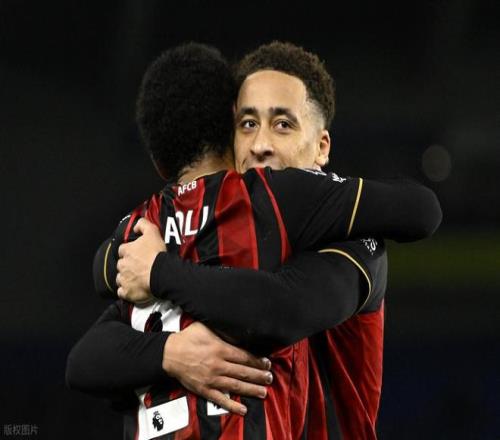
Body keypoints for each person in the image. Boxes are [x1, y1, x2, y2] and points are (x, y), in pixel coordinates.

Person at [66, 42, 441, 439]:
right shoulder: (224, 230)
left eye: (283, 125)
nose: (260, 144)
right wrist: (171, 353)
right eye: (247, 124)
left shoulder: (354, 241)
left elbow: (281, 309)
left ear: (321, 147)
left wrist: (158, 271)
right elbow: (88, 355)